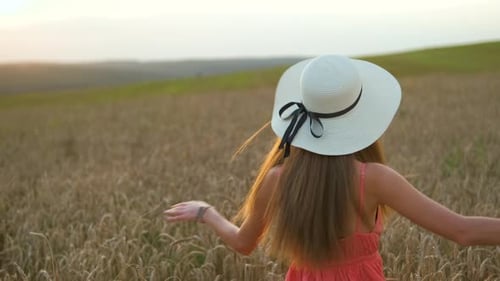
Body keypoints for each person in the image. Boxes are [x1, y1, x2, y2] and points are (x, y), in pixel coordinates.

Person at [164, 55, 500, 280]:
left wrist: (206, 212)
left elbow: (243, 243)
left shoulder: (278, 179)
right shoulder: (375, 179)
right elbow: (462, 231)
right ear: (359, 116)